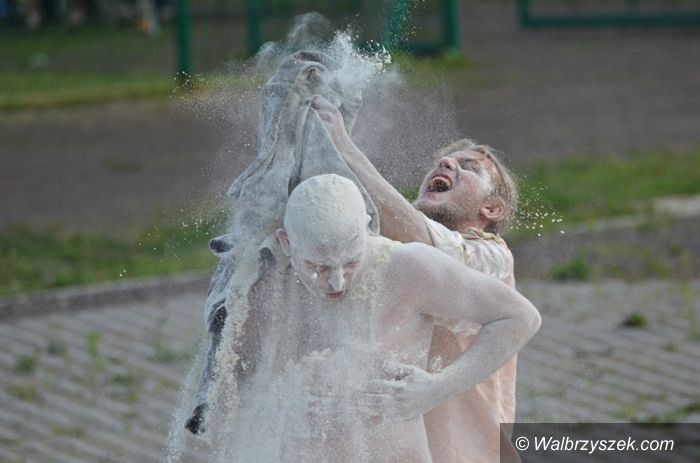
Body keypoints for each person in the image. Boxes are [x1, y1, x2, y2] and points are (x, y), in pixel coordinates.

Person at [239, 173, 539, 462]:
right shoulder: (272, 283)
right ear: (286, 243)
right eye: (319, 267)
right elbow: (241, 375)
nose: (336, 283)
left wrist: (437, 389)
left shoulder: (407, 267)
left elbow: (520, 317)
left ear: (367, 227)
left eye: (351, 262)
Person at [313, 96, 522, 462]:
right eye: (444, 162)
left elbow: (423, 242)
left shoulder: (492, 255)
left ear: (491, 209)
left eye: (468, 167)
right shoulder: (394, 249)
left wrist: (345, 148)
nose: (446, 164)